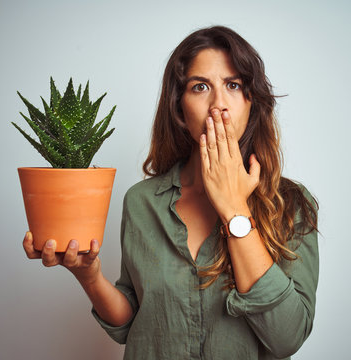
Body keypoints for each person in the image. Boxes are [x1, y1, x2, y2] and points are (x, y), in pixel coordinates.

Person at [23, 25, 319, 360]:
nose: (218, 104)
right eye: (200, 86)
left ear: (252, 102)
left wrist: (234, 208)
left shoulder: (292, 204)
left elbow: (287, 337)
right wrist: (89, 276)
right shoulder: (141, 202)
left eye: (233, 85)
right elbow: (135, 319)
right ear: (179, 108)